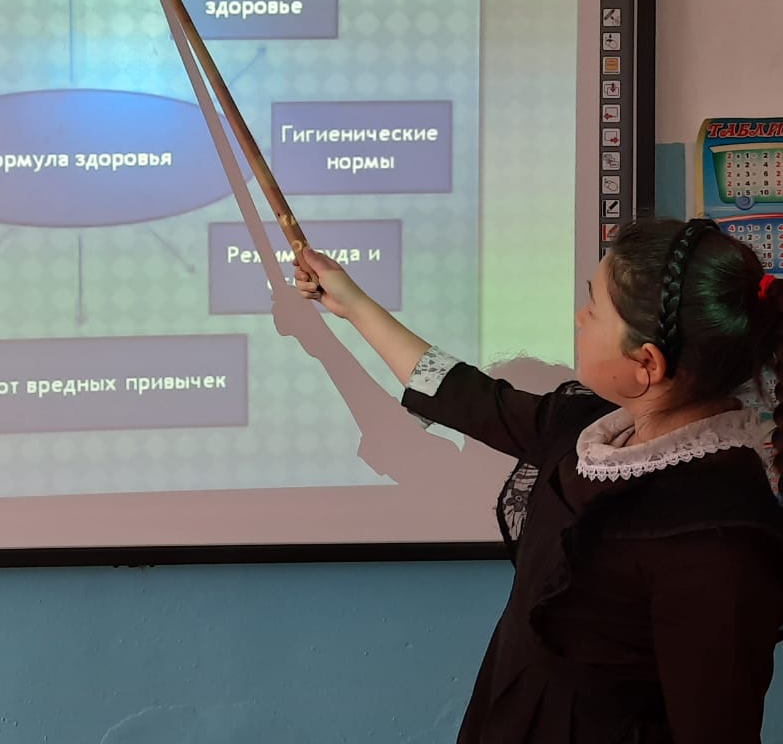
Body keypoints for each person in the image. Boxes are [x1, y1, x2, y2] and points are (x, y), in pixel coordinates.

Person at [294, 217, 783, 742]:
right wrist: (352, 303)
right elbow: (461, 393)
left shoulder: (716, 537)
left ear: (646, 363)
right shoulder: (589, 428)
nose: (579, 317)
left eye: (594, 308)